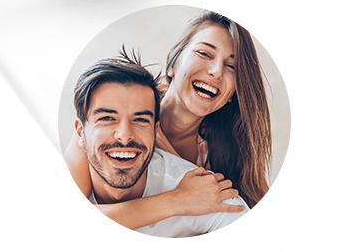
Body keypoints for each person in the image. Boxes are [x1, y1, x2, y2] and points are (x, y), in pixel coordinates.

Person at [64, 11, 272, 230]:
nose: (216, 72)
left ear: (234, 93)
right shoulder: (115, 116)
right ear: (173, 64)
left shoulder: (229, 149)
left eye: (231, 66)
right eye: (204, 53)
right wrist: (178, 200)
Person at [71, 49, 247, 237]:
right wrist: (176, 201)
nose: (124, 135)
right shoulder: (73, 170)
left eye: (140, 120)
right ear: (80, 131)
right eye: (107, 118)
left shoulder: (202, 193)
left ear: (155, 130)